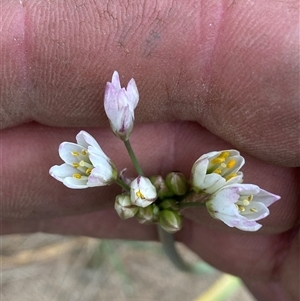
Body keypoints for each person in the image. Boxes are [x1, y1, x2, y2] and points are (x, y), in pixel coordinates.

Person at [1, 1, 299, 300]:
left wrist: (147, 196)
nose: (86, 168)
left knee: (126, 141)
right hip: (156, 193)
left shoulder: (187, 194)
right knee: (124, 140)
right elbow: (150, 200)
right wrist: (143, 195)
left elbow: (156, 200)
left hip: (164, 195)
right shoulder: (135, 169)